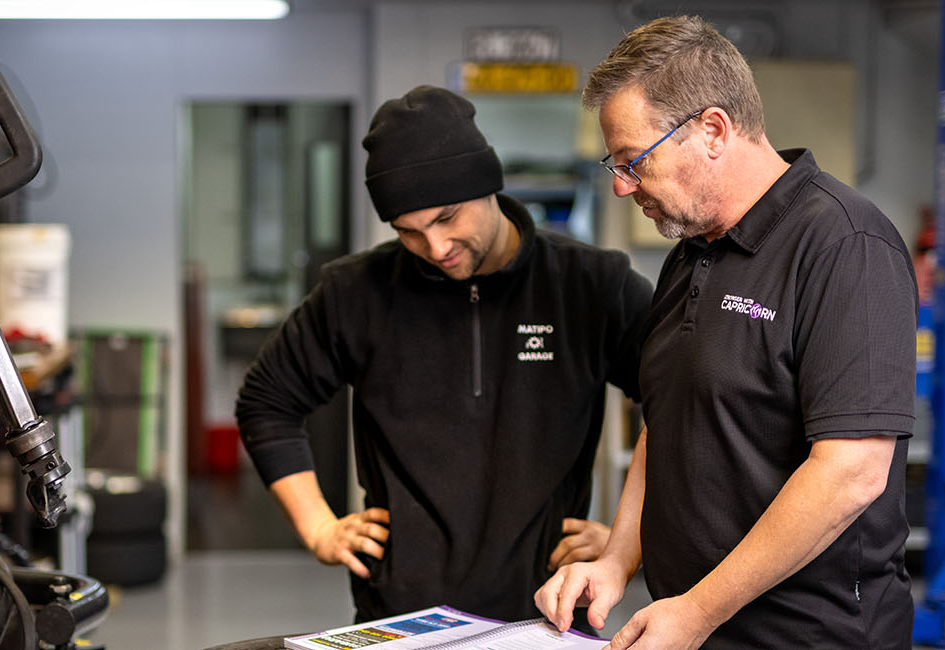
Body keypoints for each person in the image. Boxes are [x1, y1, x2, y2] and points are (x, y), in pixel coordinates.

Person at [533, 16, 916, 649]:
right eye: (614, 165)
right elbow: (668, 423)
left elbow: (852, 471)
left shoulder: (846, 244)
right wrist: (616, 559)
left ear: (712, 130)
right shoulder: (689, 256)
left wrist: (700, 608)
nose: (623, 187)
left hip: (809, 635)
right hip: (695, 626)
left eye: (634, 162)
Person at [236, 85, 654, 624]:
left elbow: (677, 404)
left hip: (547, 611)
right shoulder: (356, 292)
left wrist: (628, 542)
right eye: (409, 232)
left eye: (447, 218)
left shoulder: (592, 285)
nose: (436, 249)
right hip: (399, 614)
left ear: (489, 188)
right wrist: (318, 525)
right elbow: (266, 401)